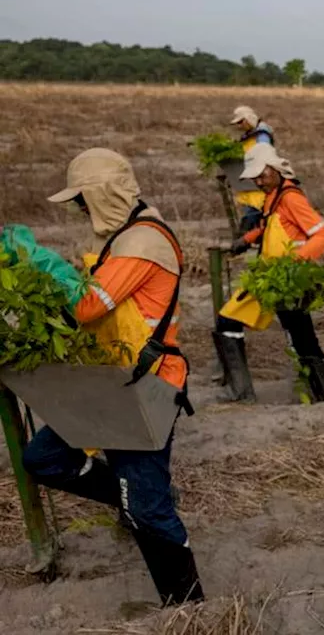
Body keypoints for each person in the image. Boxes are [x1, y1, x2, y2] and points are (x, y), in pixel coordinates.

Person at [1, 148, 204, 606]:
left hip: (145, 385)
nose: (78, 210)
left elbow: (89, 305)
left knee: (151, 510)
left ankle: (188, 609)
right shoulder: (127, 234)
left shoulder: (143, 242)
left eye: (81, 201)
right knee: (45, 457)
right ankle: (130, 497)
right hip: (113, 379)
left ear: (102, 195)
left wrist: (40, 264)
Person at [213, 143, 324, 404]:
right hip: (270, 277)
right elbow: (268, 224)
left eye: (262, 175)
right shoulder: (273, 196)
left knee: (302, 338)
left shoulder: (292, 197)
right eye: (255, 177)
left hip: (289, 280)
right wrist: (246, 240)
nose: (258, 181)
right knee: (228, 320)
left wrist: (293, 262)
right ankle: (239, 392)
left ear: (276, 170)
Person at [228, 105, 276, 233]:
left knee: (256, 209)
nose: (239, 126)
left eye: (240, 122)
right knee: (251, 207)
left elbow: (264, 153)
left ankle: (248, 235)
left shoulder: (262, 134)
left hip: (260, 178)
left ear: (248, 119)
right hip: (250, 179)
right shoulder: (249, 134)